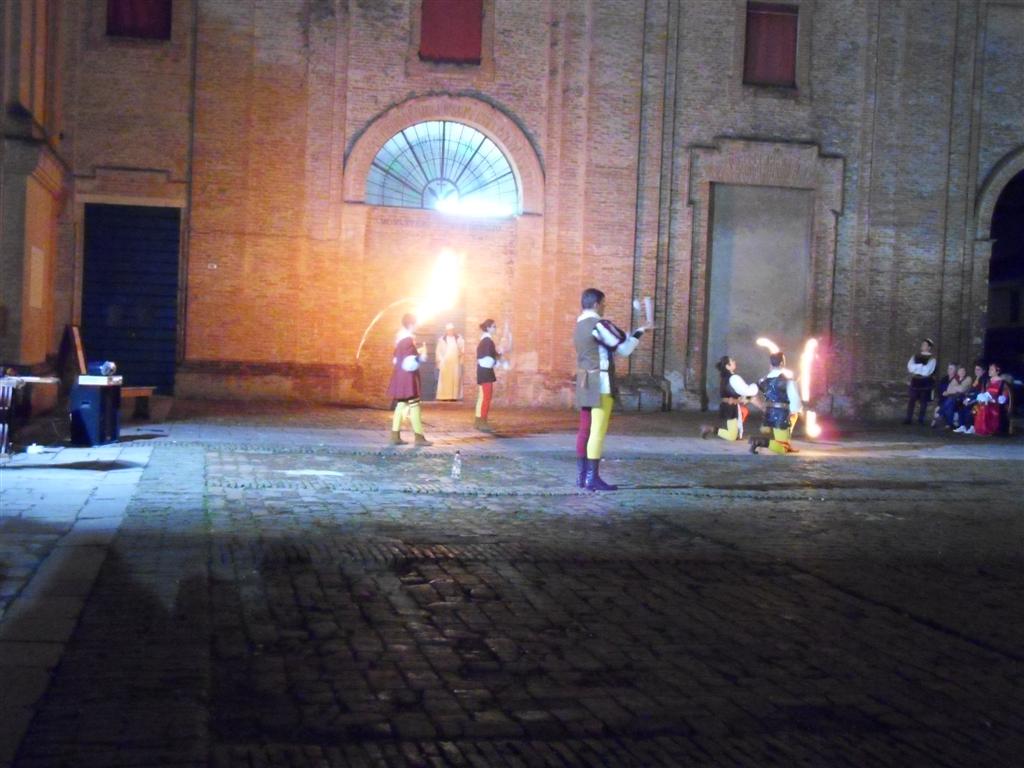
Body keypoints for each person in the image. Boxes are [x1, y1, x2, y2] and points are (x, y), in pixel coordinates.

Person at [574, 288, 646, 490]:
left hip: (584, 380)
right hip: (600, 382)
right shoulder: (599, 324)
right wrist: (639, 332)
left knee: (584, 430)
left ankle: (582, 476)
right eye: (603, 304)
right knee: (597, 431)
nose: (604, 307)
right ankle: (592, 478)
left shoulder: (579, 324)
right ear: (596, 304)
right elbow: (623, 349)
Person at [386, 313, 431, 446]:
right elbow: (409, 361)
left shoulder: (400, 340)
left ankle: (395, 435)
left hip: (400, 375)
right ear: (411, 324)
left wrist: (417, 352)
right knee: (415, 404)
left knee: (401, 404)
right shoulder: (408, 340)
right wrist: (421, 356)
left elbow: (397, 359)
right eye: (415, 323)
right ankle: (419, 437)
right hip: (408, 376)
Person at [750, 351, 802, 455]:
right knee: (782, 449)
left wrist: (761, 406)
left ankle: (786, 444)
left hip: (768, 414)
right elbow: (794, 399)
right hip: (781, 415)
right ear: (782, 363)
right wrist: (795, 410)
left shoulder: (763, 380)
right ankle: (761, 442)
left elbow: (749, 395)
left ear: (770, 364)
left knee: (784, 436)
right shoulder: (788, 380)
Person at [701, 356, 760, 441]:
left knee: (744, 411)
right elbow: (747, 391)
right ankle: (709, 429)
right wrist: (758, 385)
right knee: (732, 436)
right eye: (732, 361)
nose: (734, 362)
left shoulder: (726, 377)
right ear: (727, 366)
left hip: (729, 405)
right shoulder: (733, 378)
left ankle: (736, 432)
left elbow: (741, 394)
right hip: (731, 407)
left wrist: (747, 398)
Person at [474, 319, 501, 432]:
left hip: (483, 371)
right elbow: (487, 359)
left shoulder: (485, 340)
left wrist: (498, 355)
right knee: (486, 397)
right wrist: (497, 360)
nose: (495, 328)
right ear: (488, 328)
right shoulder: (487, 341)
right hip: (486, 371)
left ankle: (478, 420)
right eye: (494, 326)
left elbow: (489, 356)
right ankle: (482, 422)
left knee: (482, 397)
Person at [973, 362, 1011, 436]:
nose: (989, 371)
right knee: (977, 407)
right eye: (989, 369)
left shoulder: (1002, 383)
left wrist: (994, 400)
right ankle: (980, 428)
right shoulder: (987, 381)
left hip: (996, 404)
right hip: (986, 402)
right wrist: (982, 398)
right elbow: (983, 392)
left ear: (997, 371)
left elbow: (1004, 397)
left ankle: (990, 429)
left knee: (985, 408)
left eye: (992, 369)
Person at [904, 338, 936, 425]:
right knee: (912, 400)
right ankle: (908, 418)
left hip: (925, 382)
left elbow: (927, 371)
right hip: (915, 381)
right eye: (922, 344)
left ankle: (921, 420)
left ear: (929, 347)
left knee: (923, 401)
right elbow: (910, 367)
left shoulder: (932, 359)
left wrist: (917, 367)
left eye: (925, 345)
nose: (923, 346)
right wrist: (921, 366)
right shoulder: (915, 356)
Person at [954, 362, 988, 434]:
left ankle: (971, 426)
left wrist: (969, 399)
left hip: (979, 400)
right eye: (975, 369)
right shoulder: (976, 379)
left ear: (983, 371)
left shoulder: (984, 380)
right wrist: (966, 398)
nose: (976, 371)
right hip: (971, 397)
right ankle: (962, 425)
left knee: (970, 407)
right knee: (960, 403)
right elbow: (971, 391)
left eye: (978, 369)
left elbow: (980, 392)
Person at [933, 363, 970, 429]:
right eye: (960, 371)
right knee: (950, 403)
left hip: (963, 398)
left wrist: (954, 388)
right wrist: (956, 389)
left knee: (949, 401)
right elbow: (949, 389)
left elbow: (962, 389)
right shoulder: (955, 379)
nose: (962, 372)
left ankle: (940, 414)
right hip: (953, 398)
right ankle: (949, 424)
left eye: (963, 371)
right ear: (958, 372)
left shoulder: (968, 378)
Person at [435, 323, 464, 401]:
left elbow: (463, 348)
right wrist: (440, 361)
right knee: (445, 380)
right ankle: (444, 397)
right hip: (445, 363)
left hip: (455, 362)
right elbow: (438, 351)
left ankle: (454, 397)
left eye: (451, 330)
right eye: (449, 330)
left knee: (455, 379)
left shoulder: (458, 339)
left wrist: (461, 353)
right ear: (446, 331)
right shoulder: (442, 340)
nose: (450, 331)